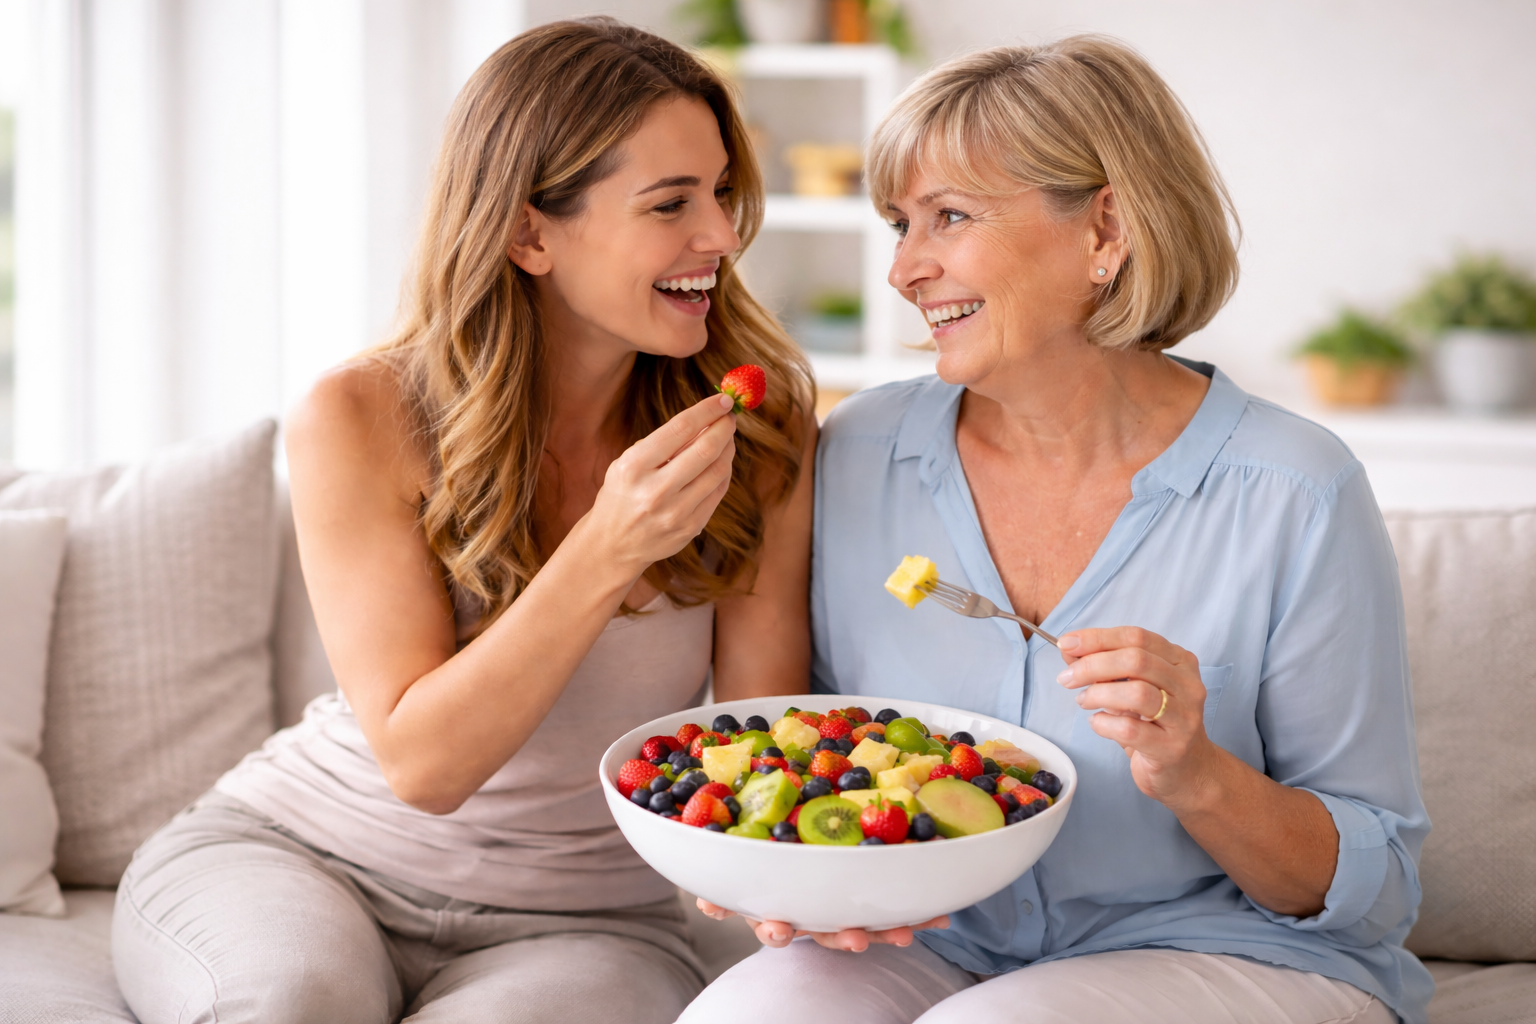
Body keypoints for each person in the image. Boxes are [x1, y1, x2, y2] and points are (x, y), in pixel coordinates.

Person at [685, 35, 1432, 1024]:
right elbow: (798, 746)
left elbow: (1375, 886)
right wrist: (798, 877)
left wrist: (1198, 773)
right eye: (900, 224)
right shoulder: (856, 451)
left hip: (1229, 947)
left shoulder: (1294, 488)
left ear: (1106, 230)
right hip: (936, 936)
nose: (908, 268)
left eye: (949, 216)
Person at [111, 18, 815, 1024]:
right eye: (672, 204)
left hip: (586, 920)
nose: (721, 236)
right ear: (530, 232)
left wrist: (815, 887)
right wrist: (610, 546)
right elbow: (423, 764)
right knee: (289, 1000)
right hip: (308, 855)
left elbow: (755, 740)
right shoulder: (364, 413)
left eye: (719, 195)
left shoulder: (760, 426)